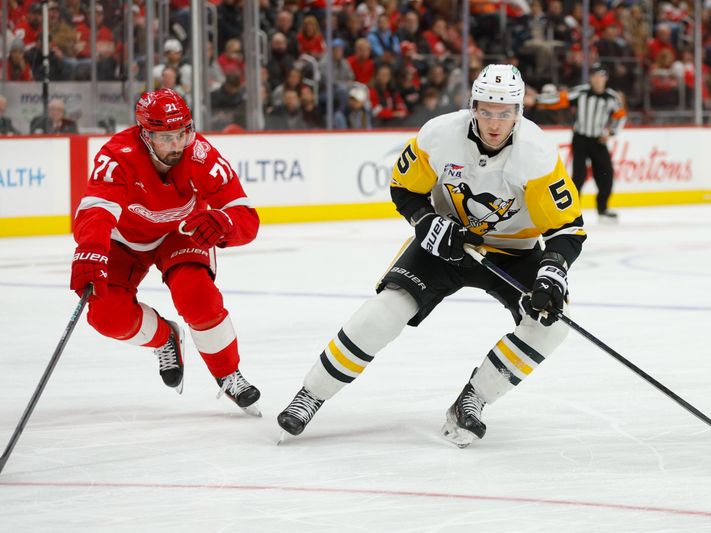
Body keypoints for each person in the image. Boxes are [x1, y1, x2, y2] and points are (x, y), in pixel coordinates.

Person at [277, 65, 586, 447]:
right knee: (385, 311)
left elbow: (568, 228)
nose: (494, 122)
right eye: (486, 110)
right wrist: (426, 222)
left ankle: (473, 399)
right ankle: (311, 394)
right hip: (446, 243)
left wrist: (552, 272)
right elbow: (404, 188)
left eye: (504, 113)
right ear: (473, 106)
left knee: (552, 324)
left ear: (519, 112)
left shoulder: (536, 155)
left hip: (514, 251)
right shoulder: (439, 136)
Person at [69, 89, 262, 415]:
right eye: (166, 137)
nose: (177, 145)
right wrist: (90, 249)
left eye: (182, 134)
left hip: (181, 233)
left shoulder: (202, 155)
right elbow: (97, 209)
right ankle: (164, 338)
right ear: (146, 135)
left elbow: (246, 217)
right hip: (124, 240)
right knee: (106, 316)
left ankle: (228, 374)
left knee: (197, 297)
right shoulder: (118, 154)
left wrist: (224, 223)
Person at [536, 63, 626, 223]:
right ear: (591, 78)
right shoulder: (581, 92)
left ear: (606, 79)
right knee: (579, 176)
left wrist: (610, 132)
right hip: (581, 139)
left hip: (598, 141)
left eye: (601, 76)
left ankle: (603, 210)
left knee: (606, 175)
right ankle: (572, 211)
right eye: (595, 76)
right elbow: (559, 99)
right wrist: (537, 99)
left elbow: (620, 116)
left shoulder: (612, 97)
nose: (598, 80)